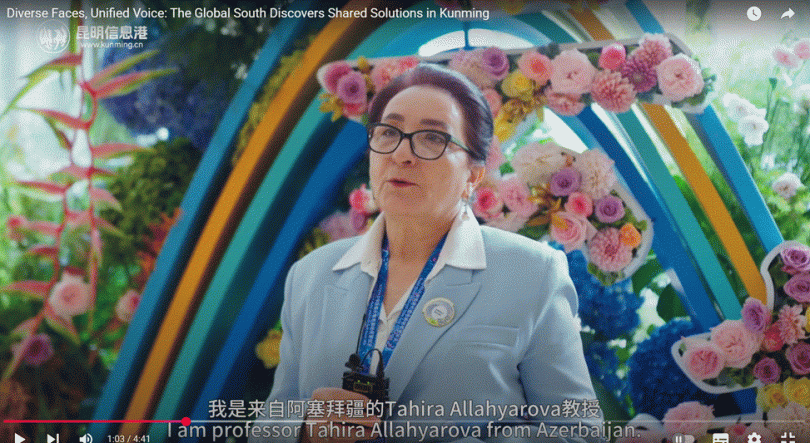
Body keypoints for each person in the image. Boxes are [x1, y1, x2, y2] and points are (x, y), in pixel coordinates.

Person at [250, 64, 603, 443]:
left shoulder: (532, 272)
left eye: (433, 138)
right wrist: (301, 430)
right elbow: (271, 421)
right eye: (388, 132)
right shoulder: (312, 273)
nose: (401, 153)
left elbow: (579, 433)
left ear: (474, 175)